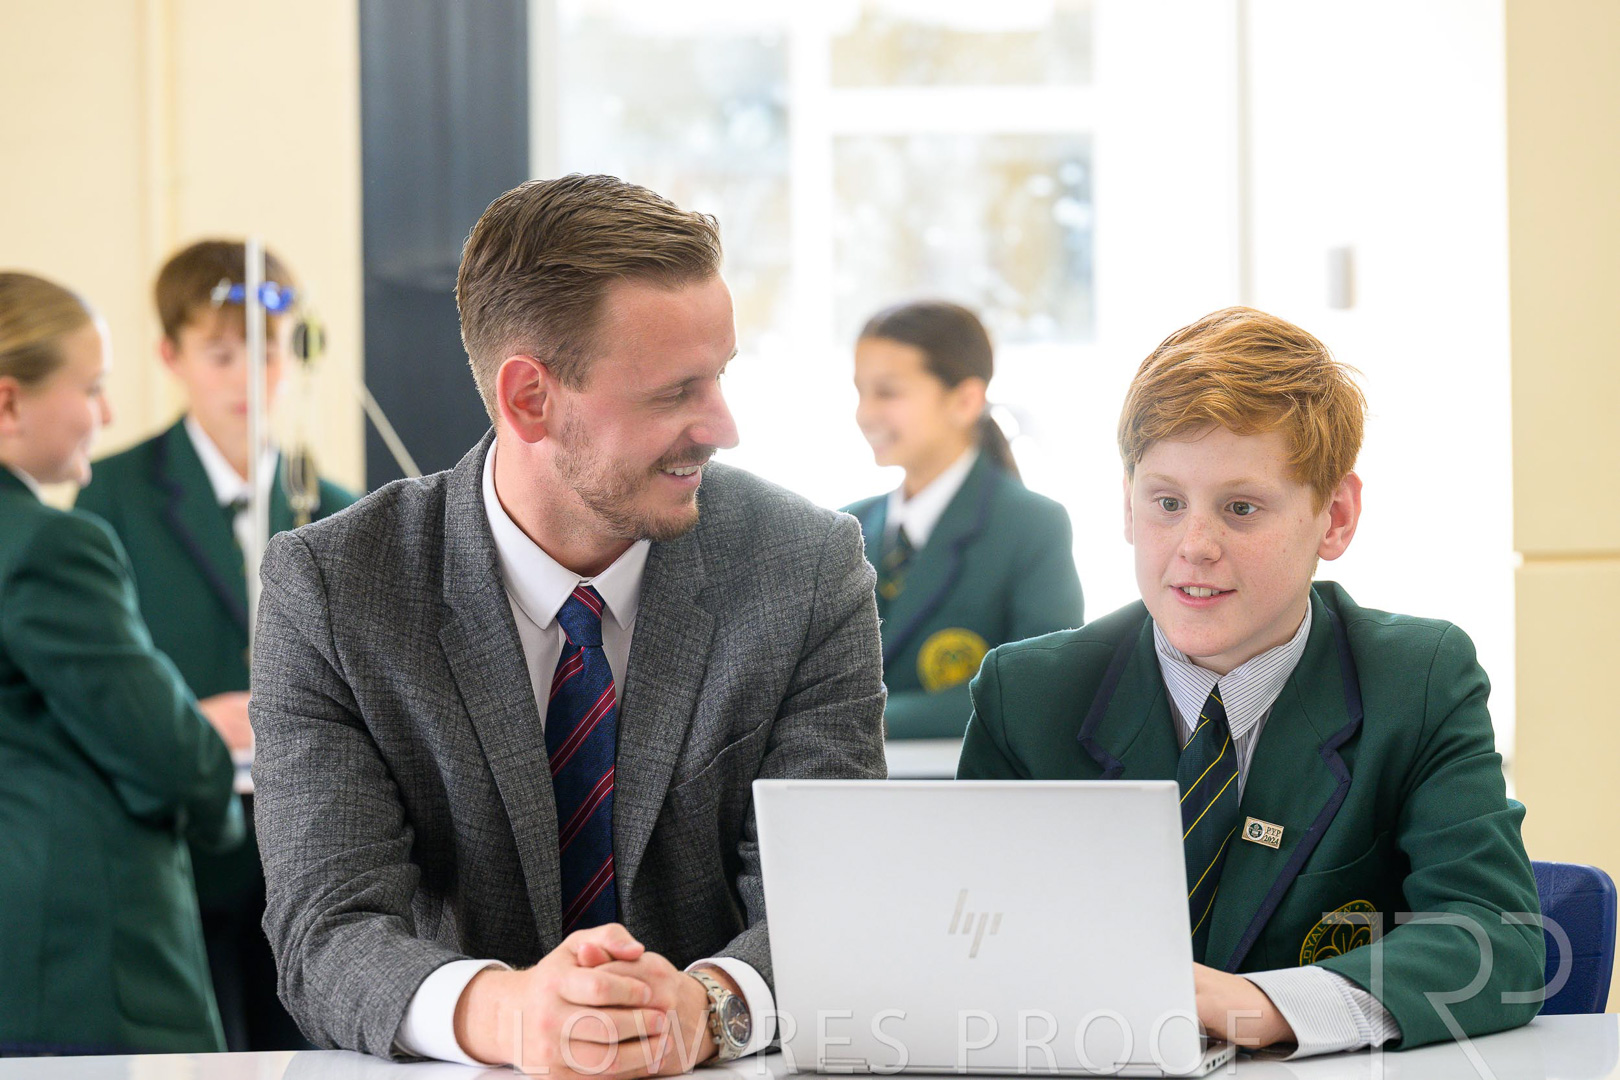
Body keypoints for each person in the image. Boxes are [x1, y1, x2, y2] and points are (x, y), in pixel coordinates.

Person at [249, 174, 887, 1072]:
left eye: (722, 377)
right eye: (675, 392)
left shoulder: (806, 567)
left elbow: (832, 901)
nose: (723, 427)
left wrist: (707, 1007)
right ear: (529, 399)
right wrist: (507, 1014)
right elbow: (327, 929)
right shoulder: (336, 589)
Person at [957, 306, 1543, 1055]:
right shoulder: (1026, 696)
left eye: (1240, 508)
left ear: (1336, 516)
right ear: (1127, 506)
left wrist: (1268, 1005)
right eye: (1167, 503)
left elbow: (1496, 938)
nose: (1195, 545)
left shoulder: (1417, 681)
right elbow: (965, 945)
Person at [76, 240, 357, 1051]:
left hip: (306, 856)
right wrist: (186, 720)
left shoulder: (341, 508)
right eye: (221, 354)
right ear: (171, 356)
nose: (248, 378)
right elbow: (90, 683)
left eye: (267, 351)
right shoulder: (108, 495)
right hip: (178, 850)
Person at [0, 271, 243, 1054]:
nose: (105, 414)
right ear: (9, 403)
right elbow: (170, 756)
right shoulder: (49, 545)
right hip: (78, 950)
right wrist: (217, 773)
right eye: (93, 388)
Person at [844, 301, 1082, 739]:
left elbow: (1045, 687)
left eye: (887, 392)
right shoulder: (845, 527)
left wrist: (865, 720)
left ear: (965, 400)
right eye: (860, 392)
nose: (865, 413)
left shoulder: (1032, 527)